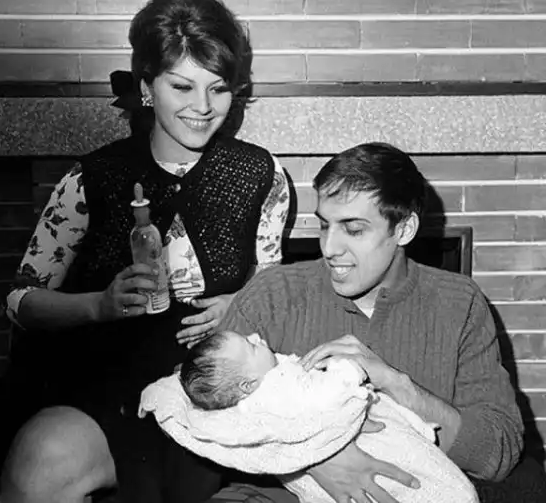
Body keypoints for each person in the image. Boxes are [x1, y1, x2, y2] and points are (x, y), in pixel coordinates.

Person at [0, 0, 289, 503]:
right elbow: (19, 300)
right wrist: (98, 306)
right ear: (147, 87)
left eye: (218, 89)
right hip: (104, 389)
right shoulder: (92, 178)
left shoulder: (260, 174)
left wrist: (240, 303)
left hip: (209, 393)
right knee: (40, 465)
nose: (202, 107)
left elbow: (273, 282)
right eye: (182, 86)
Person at [204, 142, 546, 503]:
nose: (329, 248)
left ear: (404, 229)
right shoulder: (274, 292)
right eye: (324, 225)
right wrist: (311, 462)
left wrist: (399, 385)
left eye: (353, 229)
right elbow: (195, 408)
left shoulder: (459, 302)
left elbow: (498, 453)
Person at [140, 330, 479, 503]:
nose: (257, 337)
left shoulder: (247, 397)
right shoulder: (276, 386)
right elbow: (321, 396)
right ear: (246, 384)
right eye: (251, 345)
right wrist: (348, 370)